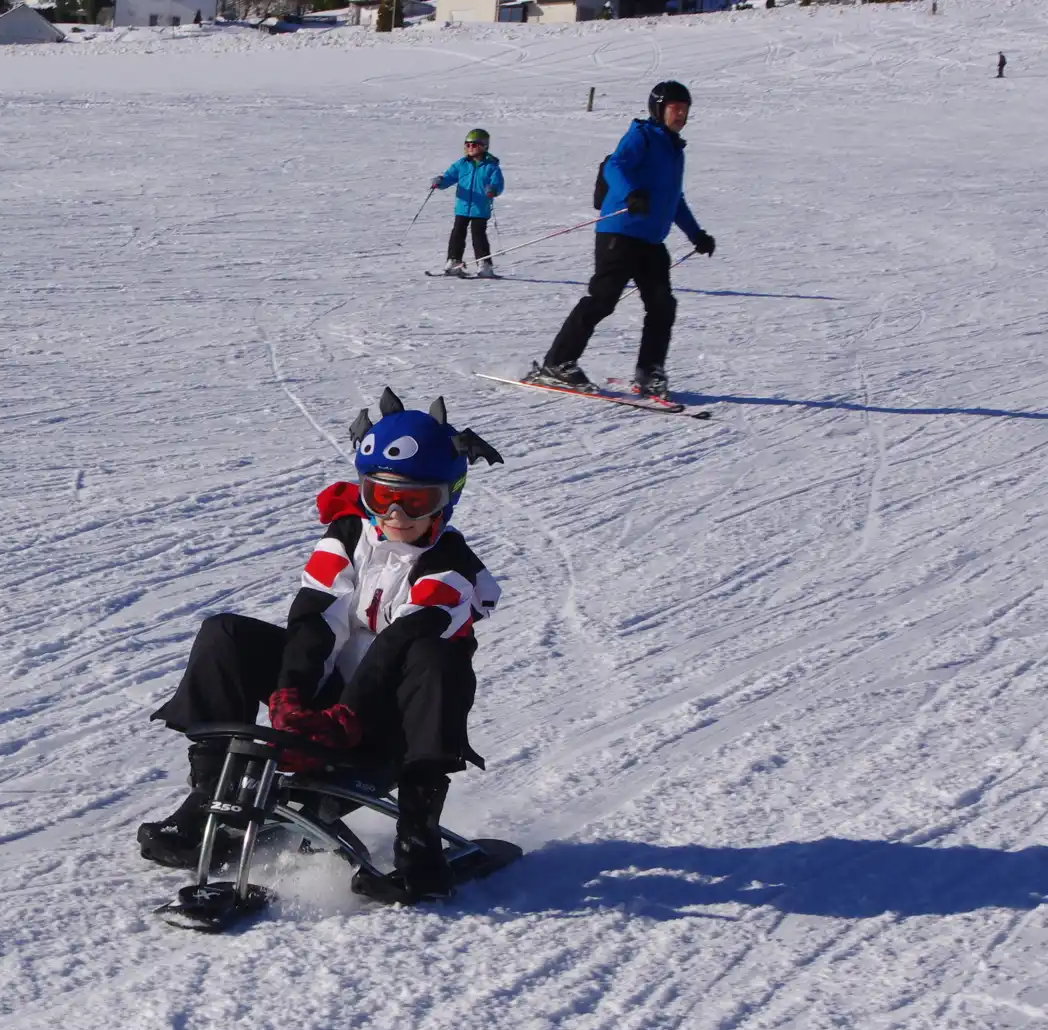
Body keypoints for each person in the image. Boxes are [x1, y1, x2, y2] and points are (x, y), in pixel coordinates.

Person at [137, 390, 504, 904]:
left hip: (389, 722)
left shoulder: (453, 568)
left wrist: (347, 715)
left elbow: (401, 641)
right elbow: (318, 617)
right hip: (326, 704)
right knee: (225, 633)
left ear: (449, 497)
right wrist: (293, 697)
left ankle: (418, 839)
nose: (396, 512)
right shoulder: (348, 535)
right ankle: (209, 802)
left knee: (436, 659)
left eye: (417, 501)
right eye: (381, 496)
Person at [529, 80, 717, 400]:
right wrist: (630, 194)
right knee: (602, 300)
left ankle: (649, 372)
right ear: (659, 108)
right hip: (619, 234)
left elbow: (675, 199)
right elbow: (615, 166)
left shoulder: (675, 150)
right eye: (675, 108)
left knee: (662, 305)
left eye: (685, 109)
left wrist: (696, 234)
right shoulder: (642, 135)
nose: (681, 114)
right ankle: (557, 364)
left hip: (651, 242)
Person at [432, 129, 505, 278]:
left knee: (478, 235)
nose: (470, 148)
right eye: (468, 144)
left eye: (474, 145)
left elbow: (498, 184)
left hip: (480, 208)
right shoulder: (462, 164)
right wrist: (440, 182)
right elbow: (449, 177)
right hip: (463, 206)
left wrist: (493, 190)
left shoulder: (491, 166)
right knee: (457, 233)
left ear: (484, 146)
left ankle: (484, 265)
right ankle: (454, 262)